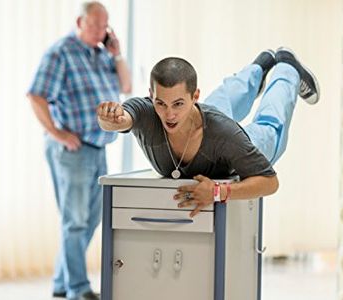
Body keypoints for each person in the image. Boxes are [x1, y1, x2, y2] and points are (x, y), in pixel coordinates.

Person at [97, 47, 319, 218]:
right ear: (151, 96)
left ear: (195, 97)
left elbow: (270, 182)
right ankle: (260, 66)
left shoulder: (226, 135)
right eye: (161, 103)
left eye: (177, 103)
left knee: (271, 123)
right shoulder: (147, 112)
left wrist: (218, 192)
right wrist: (108, 117)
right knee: (223, 98)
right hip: (205, 122)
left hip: (235, 142)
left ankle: (287, 68)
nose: (169, 115)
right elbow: (120, 120)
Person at [27, 1, 131, 299]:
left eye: (105, 26)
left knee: (92, 219)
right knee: (74, 221)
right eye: (95, 25)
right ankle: (78, 288)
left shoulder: (102, 55)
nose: (100, 31)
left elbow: (126, 85)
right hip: (72, 150)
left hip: (97, 148)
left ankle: (62, 283)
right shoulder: (61, 53)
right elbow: (36, 96)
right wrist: (57, 133)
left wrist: (117, 53)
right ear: (80, 22)